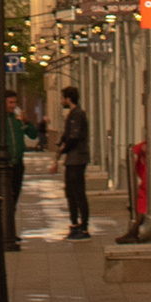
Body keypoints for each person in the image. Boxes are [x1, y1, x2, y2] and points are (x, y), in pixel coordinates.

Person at [60, 85, 91, 238]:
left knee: (77, 192)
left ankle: (83, 227)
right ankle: (75, 224)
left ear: (68, 98)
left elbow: (74, 137)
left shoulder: (77, 114)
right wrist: (61, 144)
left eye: (62, 97)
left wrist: (63, 149)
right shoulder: (73, 114)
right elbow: (67, 135)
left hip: (77, 159)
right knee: (71, 192)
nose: (61, 101)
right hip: (72, 159)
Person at [0, 89, 26, 249]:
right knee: (6, 200)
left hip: (17, 165)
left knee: (13, 199)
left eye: (15, 103)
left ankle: (10, 230)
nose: (13, 106)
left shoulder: (16, 121)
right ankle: (5, 231)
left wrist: (26, 122)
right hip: (4, 166)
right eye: (10, 103)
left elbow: (32, 134)